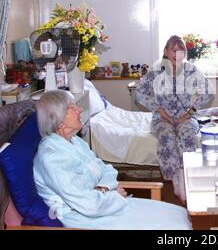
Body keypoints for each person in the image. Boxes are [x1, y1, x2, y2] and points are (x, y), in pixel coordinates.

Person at [33, 90, 192, 230]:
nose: (80, 109)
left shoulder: (74, 142)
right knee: (177, 227)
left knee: (180, 214)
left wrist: (103, 188)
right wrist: (113, 195)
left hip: (105, 204)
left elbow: (106, 169)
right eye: (72, 107)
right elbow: (88, 205)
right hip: (84, 220)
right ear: (58, 119)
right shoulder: (52, 158)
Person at [135, 35, 213, 203]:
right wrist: (160, 110)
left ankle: (188, 176)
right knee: (167, 137)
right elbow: (139, 92)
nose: (177, 53)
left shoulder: (191, 70)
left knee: (188, 136)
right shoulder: (156, 71)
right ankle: (176, 181)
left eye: (181, 50)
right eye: (173, 49)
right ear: (165, 51)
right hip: (161, 118)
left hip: (186, 117)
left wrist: (190, 112)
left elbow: (209, 91)